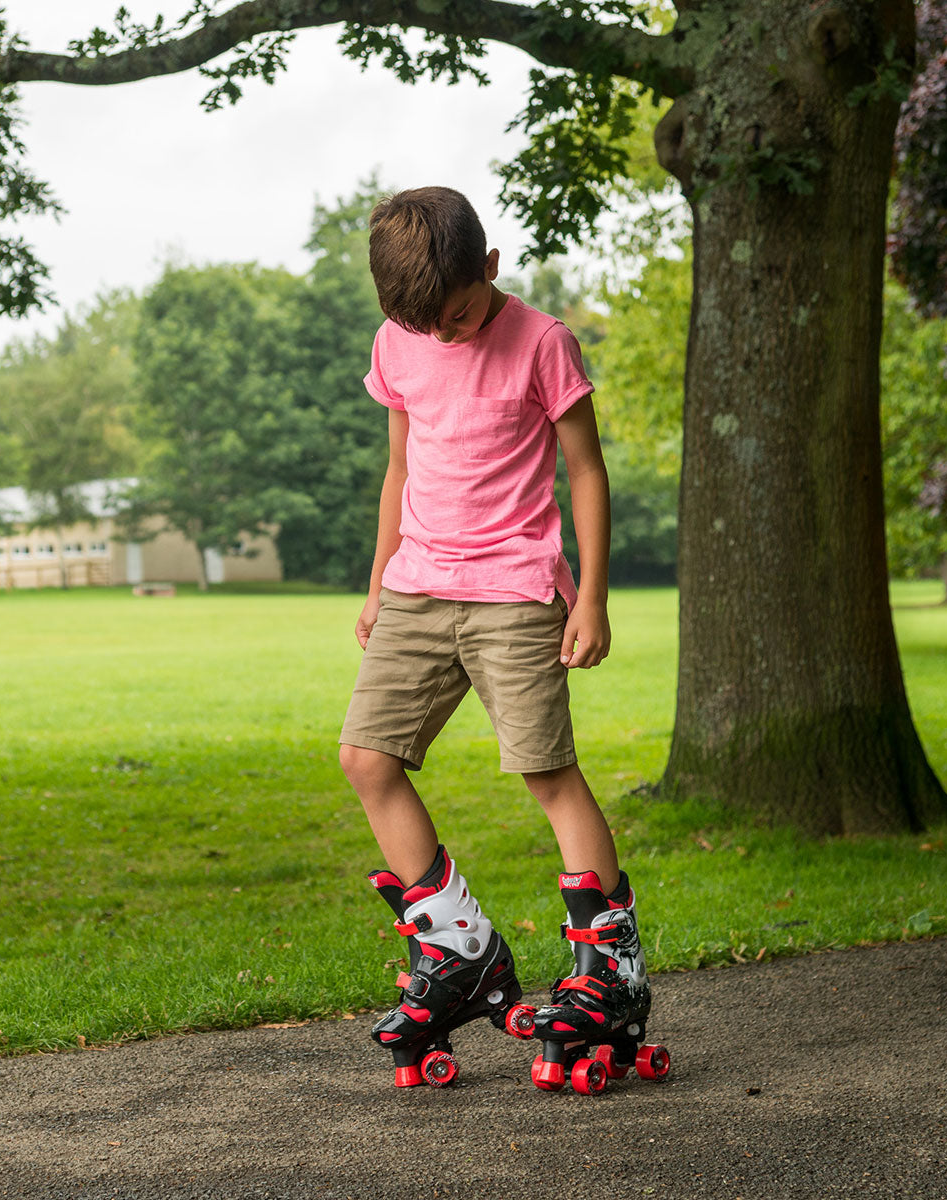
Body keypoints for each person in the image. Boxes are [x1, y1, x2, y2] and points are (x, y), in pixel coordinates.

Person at [338, 186, 650, 1089]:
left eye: (460, 314)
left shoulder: (543, 341)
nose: (446, 335)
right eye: (425, 324)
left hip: (515, 588)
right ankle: (460, 951)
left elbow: (584, 470)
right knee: (367, 759)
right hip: (416, 585)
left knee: (546, 773)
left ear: (492, 267)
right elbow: (400, 468)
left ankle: (612, 971)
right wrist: (376, 585)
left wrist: (589, 597)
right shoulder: (402, 339)